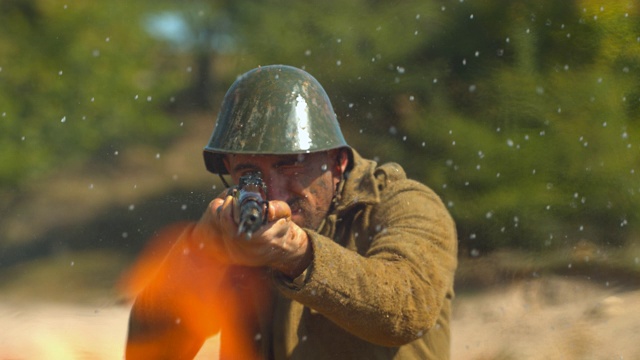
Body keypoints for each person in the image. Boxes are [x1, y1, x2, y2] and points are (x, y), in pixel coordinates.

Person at [124, 65, 458, 359]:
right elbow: (148, 351)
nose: (276, 193)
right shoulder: (234, 226)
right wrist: (201, 252)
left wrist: (299, 255)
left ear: (337, 163)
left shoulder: (404, 205)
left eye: (292, 167)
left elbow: (406, 309)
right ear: (229, 169)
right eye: (251, 175)